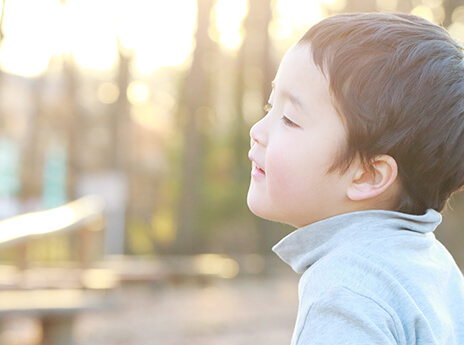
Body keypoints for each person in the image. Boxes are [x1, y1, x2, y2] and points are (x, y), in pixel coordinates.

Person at [247, 12, 464, 344]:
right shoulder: (435, 266)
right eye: (269, 107)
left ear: (368, 175)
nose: (257, 131)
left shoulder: (345, 292)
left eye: (289, 119)